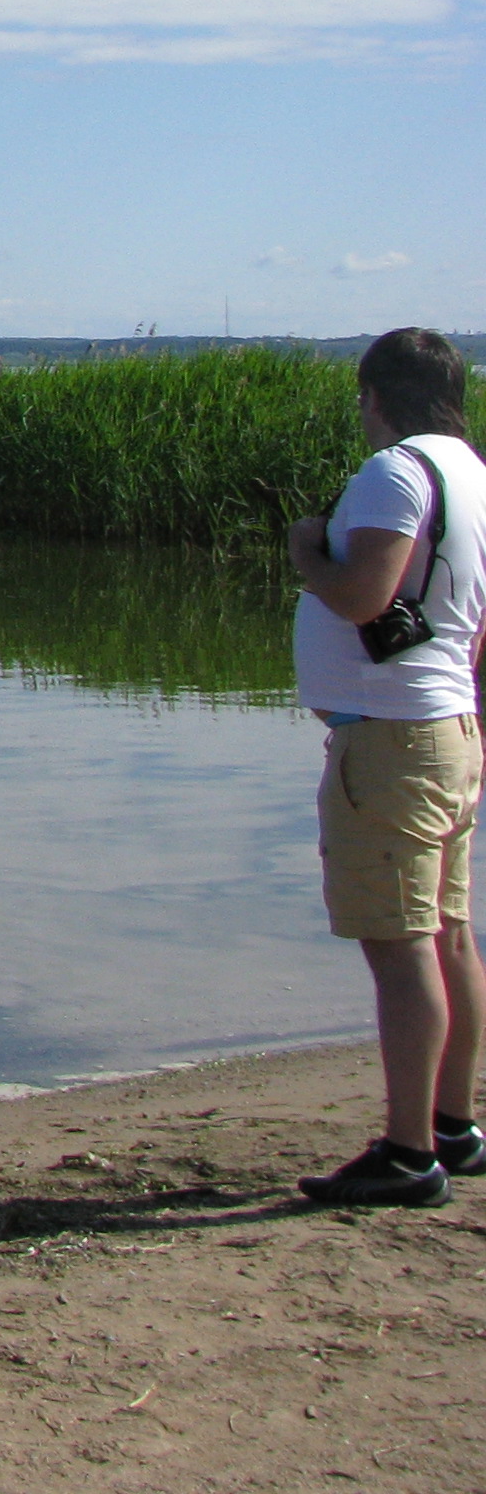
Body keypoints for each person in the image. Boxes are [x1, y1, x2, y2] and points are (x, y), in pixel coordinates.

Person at [288, 330, 485, 1206]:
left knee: (401, 944)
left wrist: (305, 553)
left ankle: (410, 1154)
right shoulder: (471, 471)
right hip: (445, 727)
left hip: (393, 741)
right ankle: (453, 1125)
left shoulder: (395, 471)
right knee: (447, 932)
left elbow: (366, 594)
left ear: (375, 394)